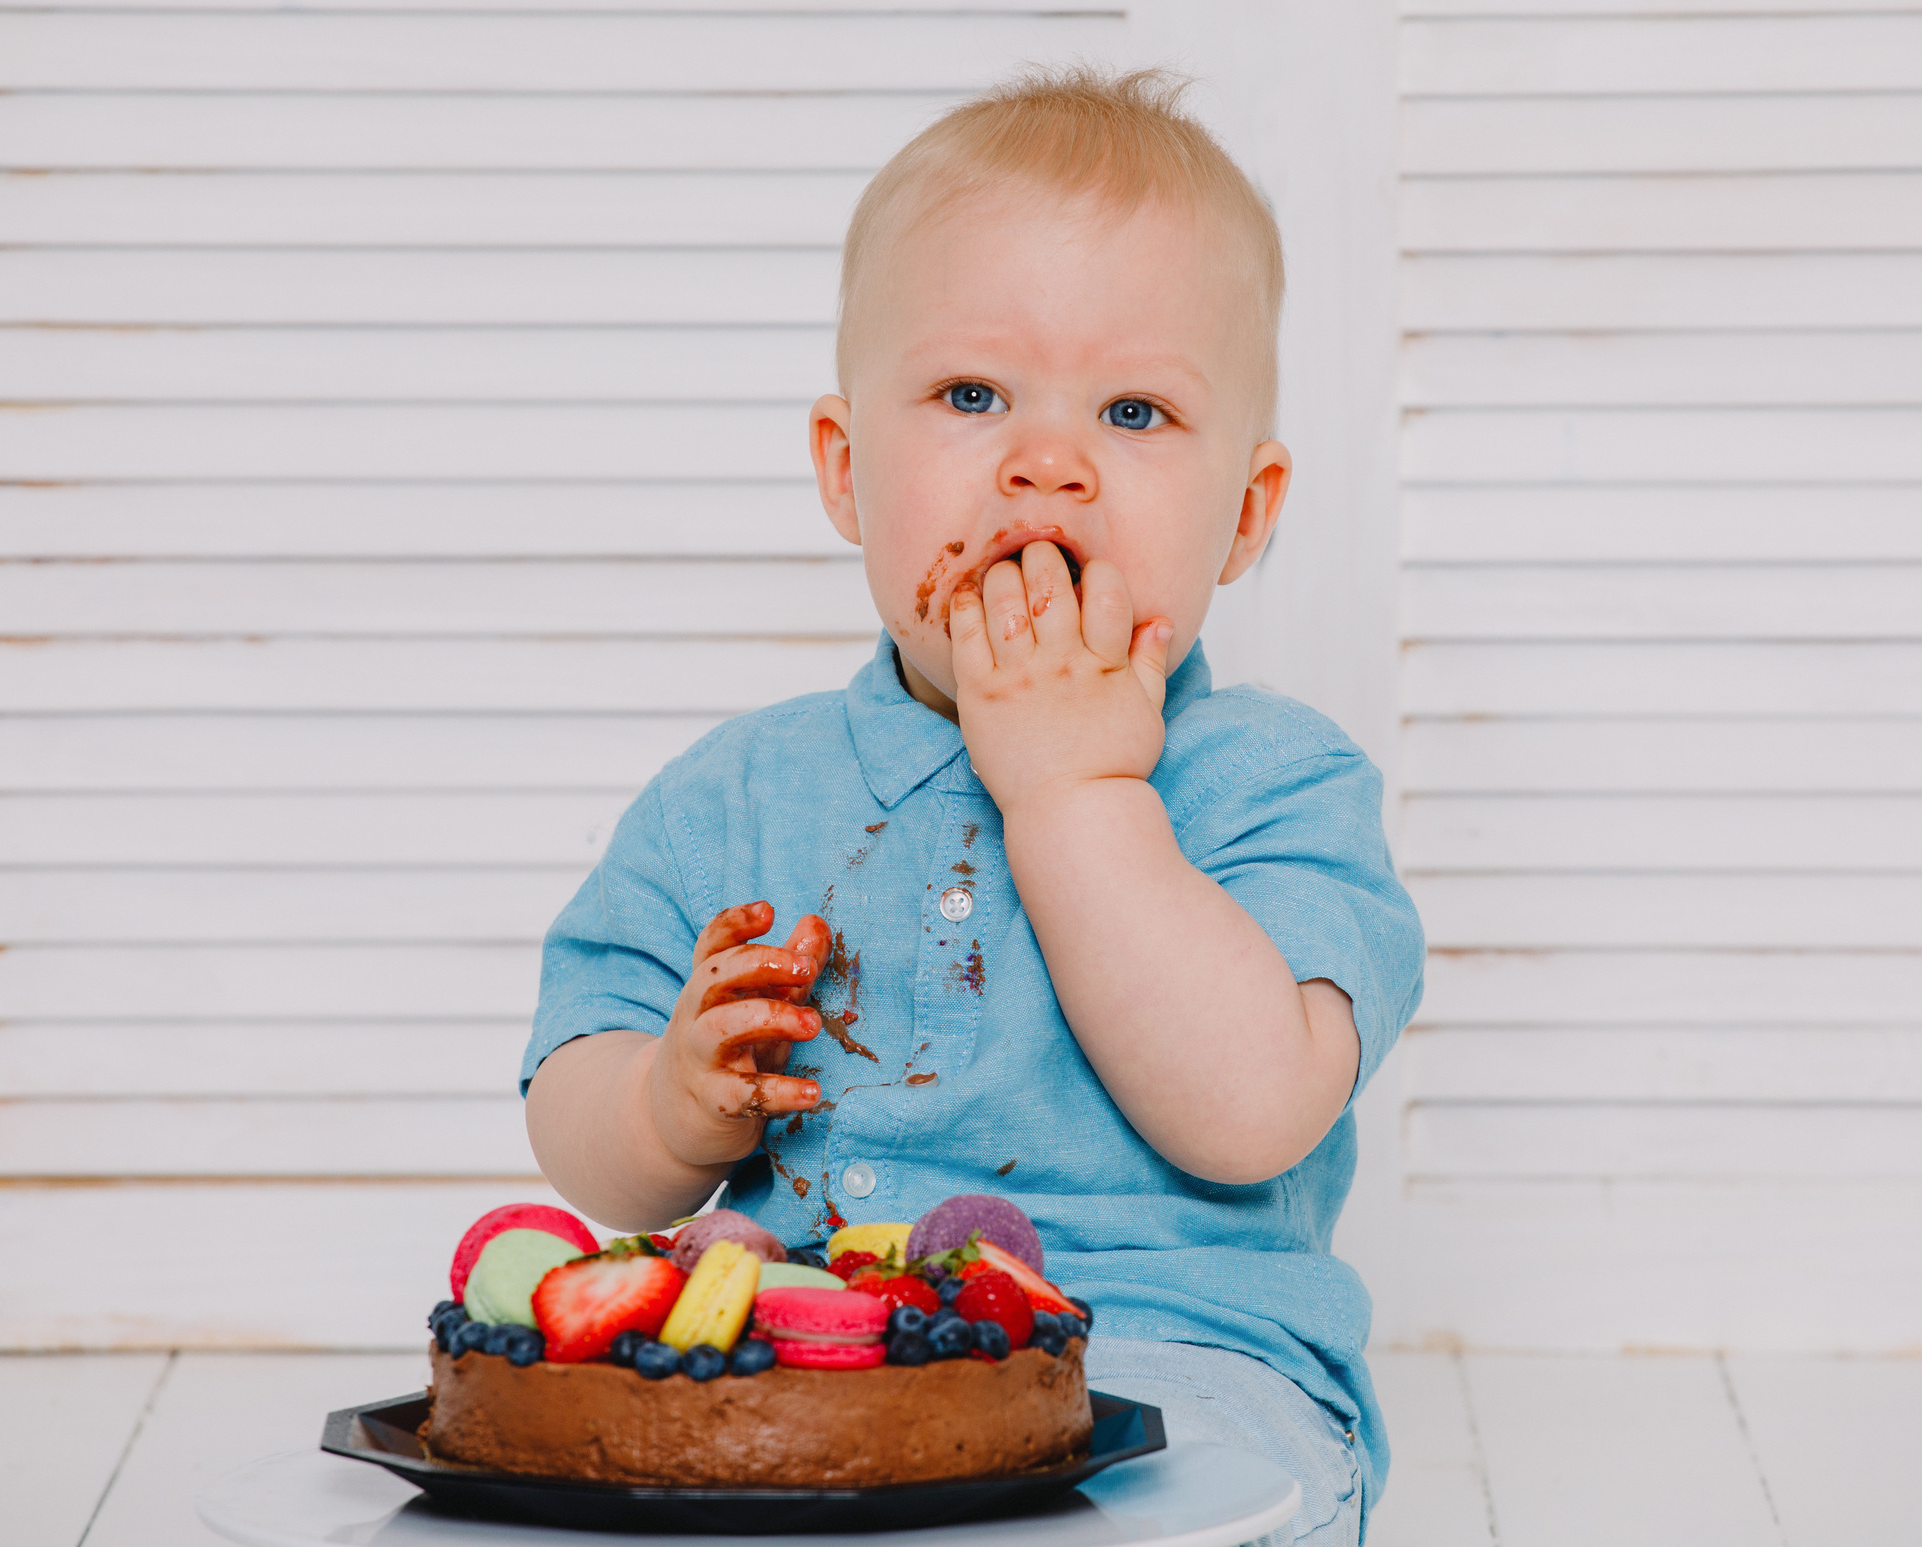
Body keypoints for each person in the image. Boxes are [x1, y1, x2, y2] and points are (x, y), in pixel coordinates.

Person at [520, 65, 1424, 1544]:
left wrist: (1073, 787)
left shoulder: (1277, 786)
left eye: (1134, 411)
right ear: (847, 471)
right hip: (800, 1355)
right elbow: (575, 1114)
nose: (1048, 464)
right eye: (971, 394)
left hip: (1163, 1367)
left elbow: (1253, 1115)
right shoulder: (735, 797)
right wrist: (669, 1102)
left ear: (1246, 517)